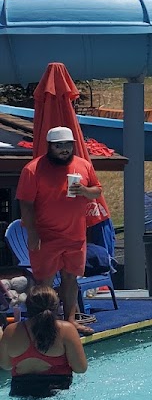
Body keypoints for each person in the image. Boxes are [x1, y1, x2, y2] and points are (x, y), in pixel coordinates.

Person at [16, 126, 105, 336]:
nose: (64, 149)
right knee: (44, 282)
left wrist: (84, 190)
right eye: (59, 146)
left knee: (70, 279)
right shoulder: (33, 170)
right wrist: (32, 233)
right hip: (46, 236)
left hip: (75, 235)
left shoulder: (83, 165)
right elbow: (26, 204)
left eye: (67, 145)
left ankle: (70, 321)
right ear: (50, 147)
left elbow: (97, 190)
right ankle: (44, 323)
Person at [0, 285, 87, 397]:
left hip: (20, 391)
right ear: (56, 306)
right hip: (57, 392)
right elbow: (80, 368)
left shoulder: (11, 331)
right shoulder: (66, 330)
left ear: (28, 306)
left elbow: (6, 365)